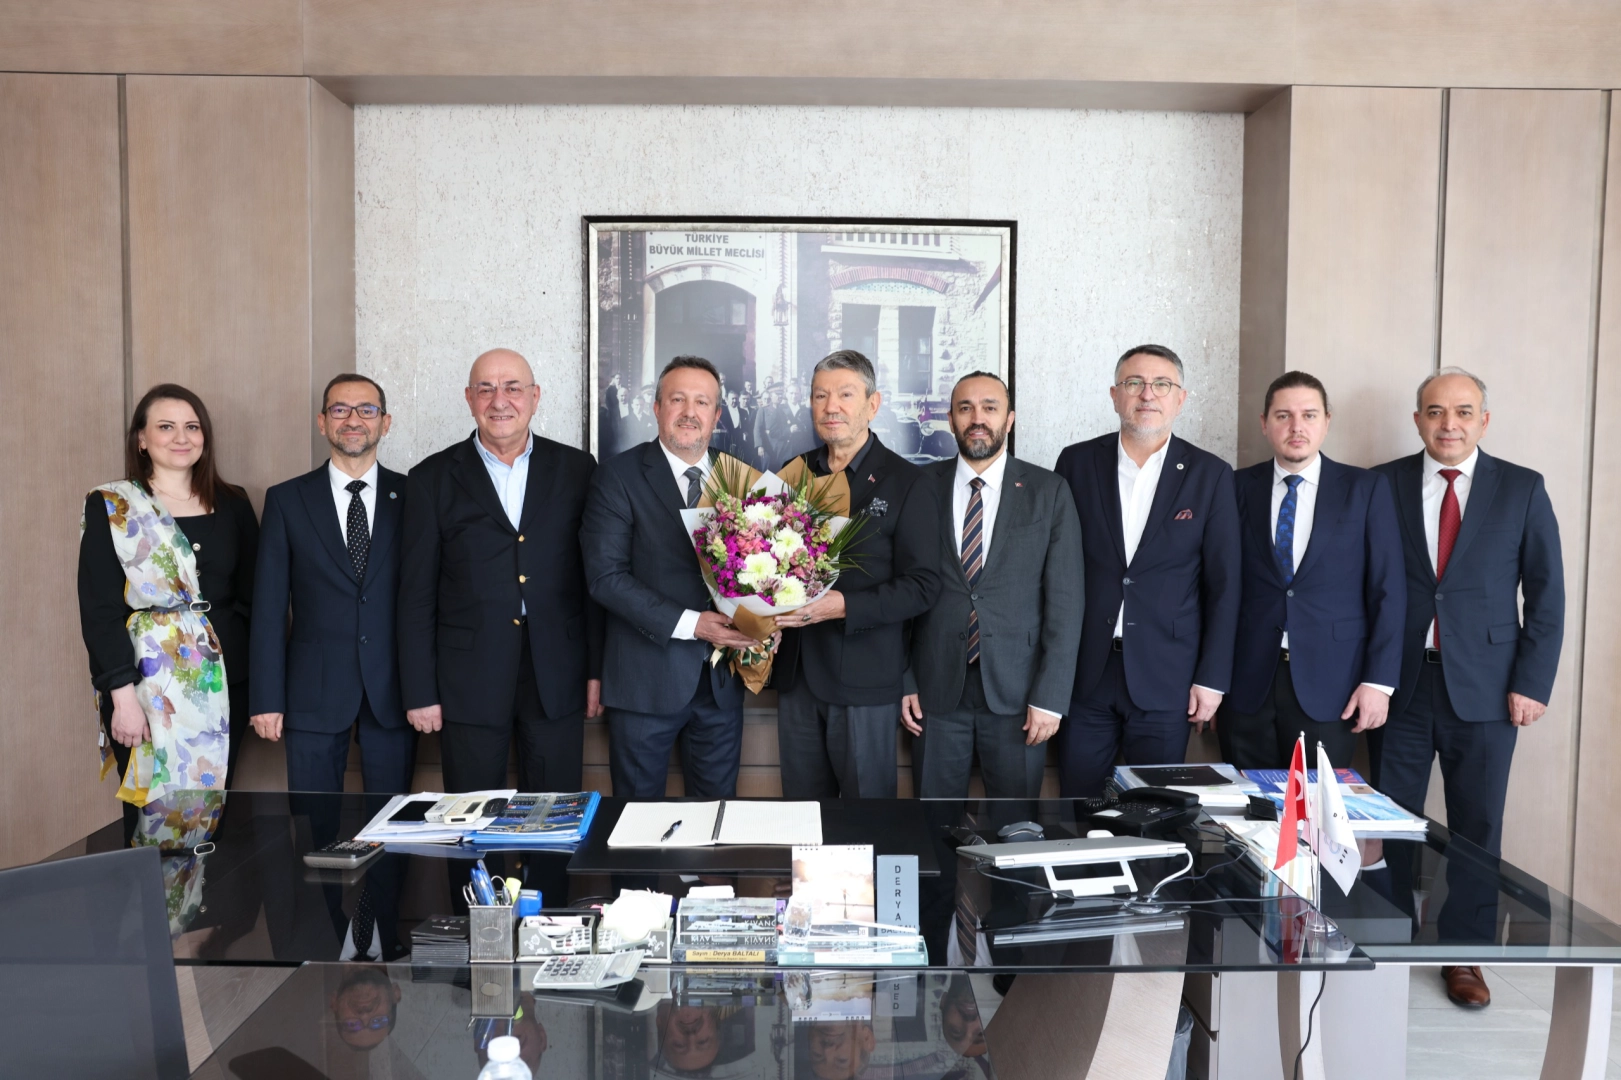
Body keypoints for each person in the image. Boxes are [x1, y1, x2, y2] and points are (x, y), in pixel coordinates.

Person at [1372, 367, 1564, 1008]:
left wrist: (1532, 682)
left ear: (1484, 420)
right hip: (1397, 685)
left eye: (1462, 411)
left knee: (1477, 826)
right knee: (1388, 823)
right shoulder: (1384, 484)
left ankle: (1465, 955)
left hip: (1488, 690)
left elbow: (1546, 595)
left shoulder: (1522, 488)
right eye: (1434, 411)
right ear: (1417, 419)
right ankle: (1388, 942)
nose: (1447, 424)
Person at [398, 348, 604, 794]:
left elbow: (591, 581)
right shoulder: (430, 478)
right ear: (469, 398)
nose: (499, 401)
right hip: (467, 677)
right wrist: (420, 691)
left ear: (535, 396)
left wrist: (596, 671)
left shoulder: (577, 470)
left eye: (512, 388)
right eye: (486, 389)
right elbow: (415, 595)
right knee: (470, 817)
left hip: (558, 672)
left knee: (552, 815)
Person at [1052, 345, 1241, 797]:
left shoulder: (1210, 474)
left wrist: (1212, 679)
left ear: (1181, 398)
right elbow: (1056, 569)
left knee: (1157, 809)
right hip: (1086, 672)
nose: (1147, 394)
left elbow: (1224, 585)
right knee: (1080, 804)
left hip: (1168, 675)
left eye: (1162, 384)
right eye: (1134, 383)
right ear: (1115, 395)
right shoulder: (1076, 463)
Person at [582, 355, 758, 798]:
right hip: (645, 683)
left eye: (702, 402)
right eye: (677, 399)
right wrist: (693, 624)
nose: (689, 412)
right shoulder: (616, 476)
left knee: (717, 819)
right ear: (657, 408)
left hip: (721, 687)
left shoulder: (741, 478)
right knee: (636, 822)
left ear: (717, 415)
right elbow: (605, 577)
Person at [903, 371, 1084, 798]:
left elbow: (1066, 602)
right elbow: (902, 590)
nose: (977, 418)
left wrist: (1050, 697)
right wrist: (905, 680)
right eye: (965, 408)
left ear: (1010, 419)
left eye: (990, 408)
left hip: (1020, 696)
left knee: (1016, 826)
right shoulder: (919, 487)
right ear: (950, 419)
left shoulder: (1049, 491)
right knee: (933, 824)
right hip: (934, 693)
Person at [78, 383, 258, 807]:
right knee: (153, 812)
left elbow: (255, 599)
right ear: (141, 438)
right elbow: (100, 609)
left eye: (192, 426)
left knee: (211, 811)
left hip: (225, 682)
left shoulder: (234, 502)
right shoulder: (113, 505)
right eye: (166, 426)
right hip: (145, 684)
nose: (182, 437)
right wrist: (122, 696)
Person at [773, 350, 942, 798]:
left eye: (845, 395)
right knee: (802, 817)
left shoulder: (908, 482)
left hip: (865, 681)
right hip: (796, 678)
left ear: (873, 404)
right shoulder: (792, 474)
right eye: (820, 395)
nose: (832, 406)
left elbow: (924, 585)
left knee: (866, 819)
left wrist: (844, 606)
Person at [1220, 371, 1405, 769]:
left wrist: (1379, 683)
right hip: (1246, 684)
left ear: (1327, 421)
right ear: (1264, 423)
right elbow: (1216, 586)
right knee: (1245, 803)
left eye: (1309, 415)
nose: (1296, 427)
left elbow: (1388, 591)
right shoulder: (1234, 487)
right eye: (1283, 416)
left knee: (1319, 804)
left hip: (1333, 685)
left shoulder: (1365, 489)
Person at [248, 373, 416, 794]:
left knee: (391, 822)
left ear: (385, 422)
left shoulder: (414, 496)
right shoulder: (287, 500)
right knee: (312, 822)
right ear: (323, 422)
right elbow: (268, 609)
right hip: (311, 692)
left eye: (367, 410)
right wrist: (266, 698)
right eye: (340, 409)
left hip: (395, 690)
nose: (353, 420)